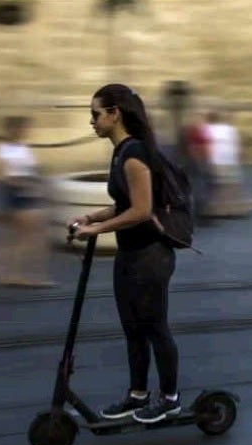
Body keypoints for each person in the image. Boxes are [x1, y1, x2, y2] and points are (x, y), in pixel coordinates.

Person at [70, 83, 181, 424]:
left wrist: (96, 230)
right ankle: (137, 395)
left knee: (155, 327)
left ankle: (170, 398)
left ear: (115, 114)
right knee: (132, 328)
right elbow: (123, 204)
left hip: (150, 254)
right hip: (130, 253)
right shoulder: (120, 151)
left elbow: (142, 210)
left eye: (95, 114)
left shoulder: (134, 153)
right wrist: (91, 216)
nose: (92, 121)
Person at [0, 115, 55, 288]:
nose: (27, 131)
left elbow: (32, 170)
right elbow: (2, 176)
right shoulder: (4, 148)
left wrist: (40, 185)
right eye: (24, 128)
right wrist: (28, 186)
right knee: (31, 237)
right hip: (18, 194)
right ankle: (28, 276)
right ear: (14, 129)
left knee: (17, 237)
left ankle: (7, 275)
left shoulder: (21, 146)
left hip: (25, 192)